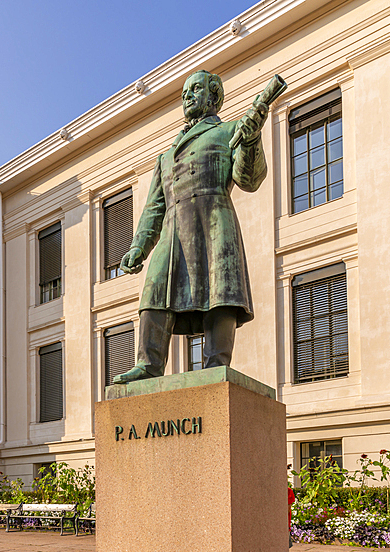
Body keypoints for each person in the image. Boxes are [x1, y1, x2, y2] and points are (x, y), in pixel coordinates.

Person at [113, 70, 277, 383]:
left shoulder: (230, 131)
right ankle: (148, 365)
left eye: (196, 89)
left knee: (220, 292)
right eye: (185, 91)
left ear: (214, 96)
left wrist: (252, 137)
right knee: (154, 291)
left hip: (214, 222)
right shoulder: (165, 156)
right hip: (173, 233)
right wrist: (138, 246)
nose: (188, 96)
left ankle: (217, 364)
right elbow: (154, 207)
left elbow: (249, 179)